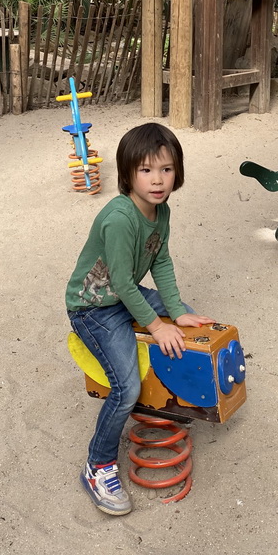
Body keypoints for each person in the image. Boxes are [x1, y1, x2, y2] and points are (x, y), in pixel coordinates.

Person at [66, 122, 214, 516]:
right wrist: (157, 324)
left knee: (187, 321)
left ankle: (179, 387)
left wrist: (176, 310)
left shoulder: (160, 211)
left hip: (123, 293)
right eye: (146, 170)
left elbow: (160, 260)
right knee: (126, 387)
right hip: (94, 306)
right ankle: (97, 465)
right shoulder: (120, 218)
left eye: (166, 169)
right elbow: (120, 284)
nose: (157, 180)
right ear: (128, 174)